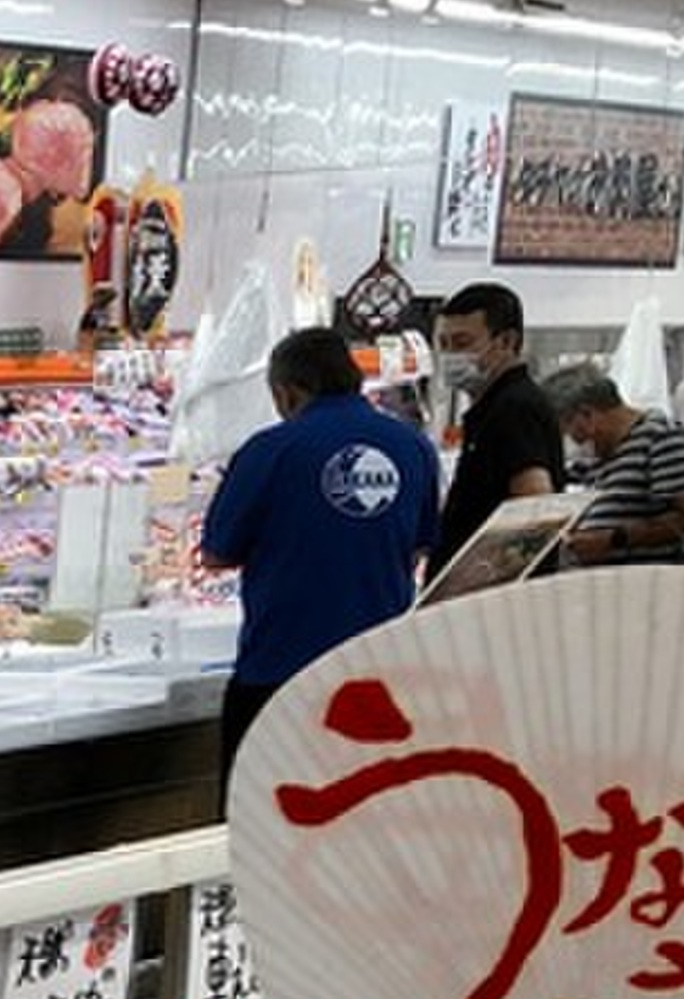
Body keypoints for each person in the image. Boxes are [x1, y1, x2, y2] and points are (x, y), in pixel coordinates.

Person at [201, 328, 439, 769]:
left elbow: (217, 554)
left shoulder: (269, 450)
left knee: (264, 803)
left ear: (287, 392)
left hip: (281, 670)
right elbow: (419, 547)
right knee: (365, 800)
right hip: (378, 670)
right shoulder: (414, 447)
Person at [432, 281, 563, 560]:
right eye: (444, 344)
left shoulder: (515, 408)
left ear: (507, 342)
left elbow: (533, 505)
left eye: (462, 343)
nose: (450, 356)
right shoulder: (489, 408)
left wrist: (485, 572)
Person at [558, 375, 684, 566]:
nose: (576, 442)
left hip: (645, 577)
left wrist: (615, 539)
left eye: (573, 432)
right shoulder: (600, 455)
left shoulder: (661, 437)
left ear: (588, 415)